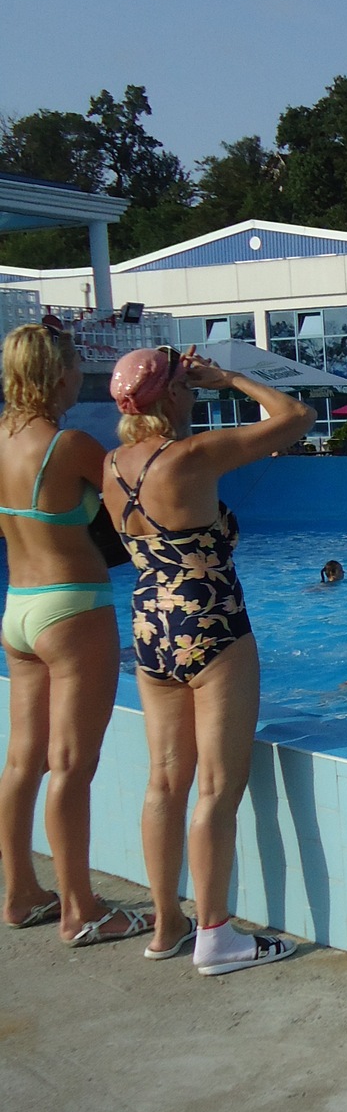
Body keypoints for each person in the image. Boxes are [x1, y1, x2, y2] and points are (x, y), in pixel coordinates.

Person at [106, 345, 311, 972]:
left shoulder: (113, 465)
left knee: (164, 780)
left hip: (149, 626)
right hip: (210, 624)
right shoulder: (189, 457)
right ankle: (216, 935)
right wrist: (230, 377)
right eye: (187, 386)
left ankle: (167, 924)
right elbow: (295, 417)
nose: (195, 393)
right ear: (171, 394)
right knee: (218, 788)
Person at [0, 324, 145, 947]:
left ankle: (20, 893)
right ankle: (81, 910)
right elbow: (139, 499)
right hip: (72, 605)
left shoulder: (1, 440)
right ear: (58, 375)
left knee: (21, 760)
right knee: (71, 766)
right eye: (76, 370)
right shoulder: (69, 444)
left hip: (18, 607)